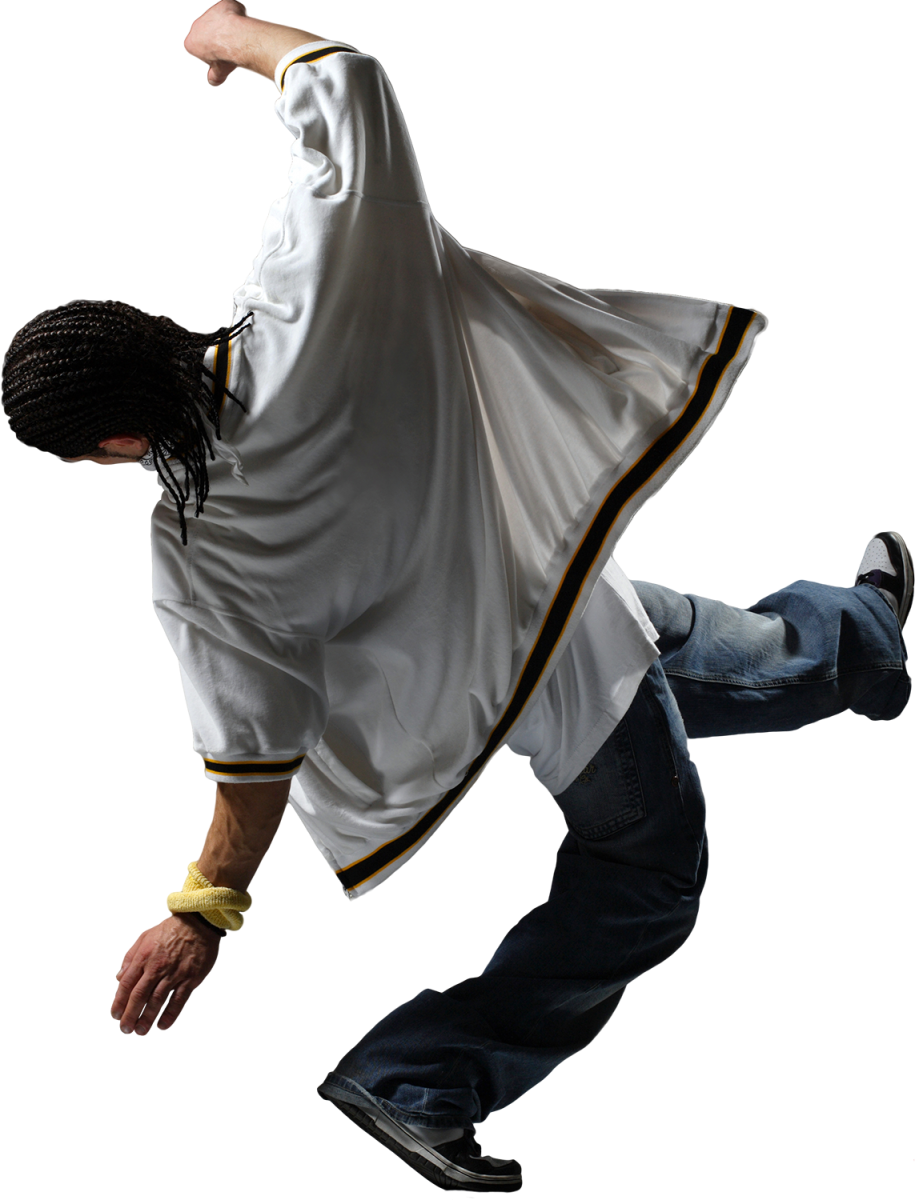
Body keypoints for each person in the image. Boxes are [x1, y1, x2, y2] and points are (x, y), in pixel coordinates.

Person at [1, 4, 910, 1195]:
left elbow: (253, 759)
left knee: (716, 700)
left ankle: (872, 638)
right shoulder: (310, 289)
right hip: (558, 638)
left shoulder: (200, 559)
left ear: (116, 442)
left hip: (559, 626)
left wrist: (203, 912)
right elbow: (342, 83)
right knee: (658, 841)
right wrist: (227, 32)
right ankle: (419, 1078)